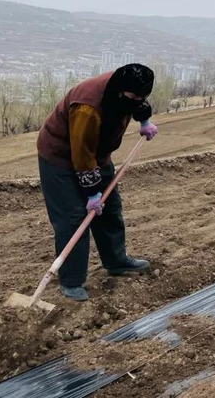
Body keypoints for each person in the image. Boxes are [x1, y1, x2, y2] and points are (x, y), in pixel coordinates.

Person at [36, 64, 159, 301]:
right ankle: (71, 280)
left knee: (110, 209)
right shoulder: (87, 107)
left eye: (142, 98)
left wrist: (144, 121)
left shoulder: (127, 92)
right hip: (60, 158)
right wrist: (92, 193)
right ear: (119, 91)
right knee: (72, 218)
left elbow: (138, 103)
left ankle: (116, 261)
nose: (138, 102)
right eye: (134, 98)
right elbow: (81, 156)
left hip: (98, 155)